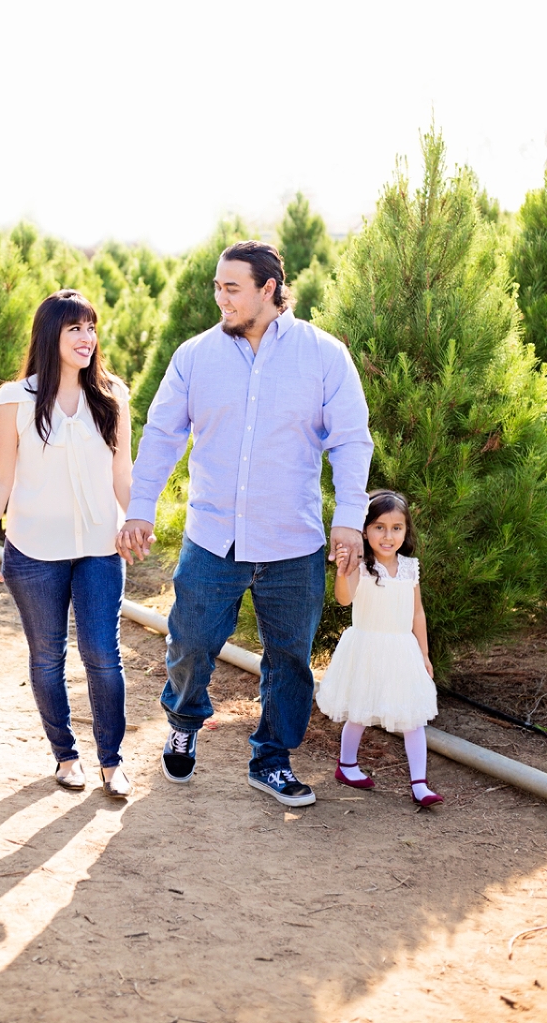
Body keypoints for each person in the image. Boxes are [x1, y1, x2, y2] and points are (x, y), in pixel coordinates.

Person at [116, 241, 373, 807]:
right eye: (217, 286)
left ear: (269, 289)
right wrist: (140, 507)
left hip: (293, 541)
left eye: (232, 288)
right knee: (190, 643)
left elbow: (351, 440)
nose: (221, 298)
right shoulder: (195, 356)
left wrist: (349, 520)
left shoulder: (324, 356)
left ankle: (272, 761)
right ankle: (184, 721)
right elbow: (162, 435)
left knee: (290, 661)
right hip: (213, 537)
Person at [0, 289, 134, 799]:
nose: (88, 338)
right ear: (51, 335)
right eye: (75, 329)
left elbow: (122, 471)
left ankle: (111, 762)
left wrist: (137, 519)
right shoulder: (14, 400)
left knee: (102, 654)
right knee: (47, 657)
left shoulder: (111, 395)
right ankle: (66, 756)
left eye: (91, 328)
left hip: (100, 548)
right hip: (34, 551)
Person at [316, 489, 443, 807]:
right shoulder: (361, 567)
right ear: (365, 530)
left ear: (406, 531)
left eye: (396, 528)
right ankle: (347, 765)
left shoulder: (409, 568)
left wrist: (424, 654)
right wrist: (343, 570)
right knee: (360, 710)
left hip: (403, 651)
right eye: (379, 527)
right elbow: (344, 598)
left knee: (412, 717)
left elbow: (417, 613)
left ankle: (419, 784)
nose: (388, 536)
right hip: (367, 648)